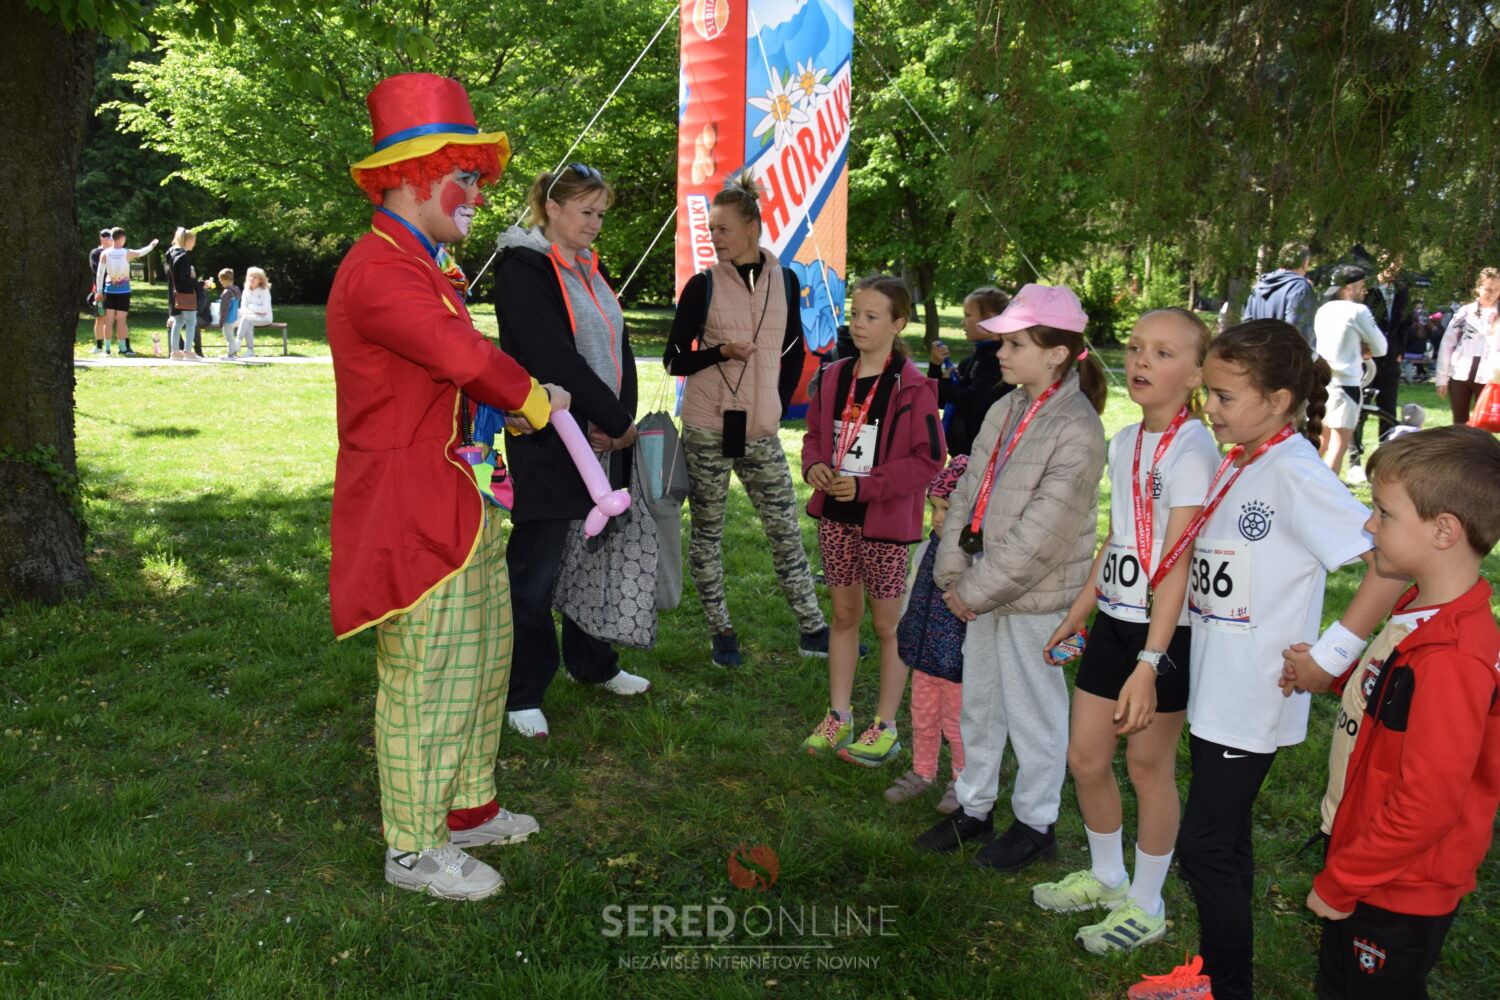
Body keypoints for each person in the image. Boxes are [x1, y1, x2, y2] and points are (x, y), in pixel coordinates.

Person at [327, 72, 568, 901]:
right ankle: (413, 849)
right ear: (412, 177)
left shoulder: (422, 265)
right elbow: (459, 355)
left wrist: (506, 411)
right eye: (463, 176)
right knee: (429, 677)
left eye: (477, 175)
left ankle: (466, 809)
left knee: (482, 659)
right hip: (409, 507)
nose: (479, 194)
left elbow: (454, 379)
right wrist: (534, 399)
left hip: (460, 497)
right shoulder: (379, 270)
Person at [1130, 320, 1407, 1000]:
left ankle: (1225, 988)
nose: (1210, 407)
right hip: (1219, 685)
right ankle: (1223, 979)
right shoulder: (1242, 458)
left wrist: (1332, 654)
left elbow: (1389, 565)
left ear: (1279, 400)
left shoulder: (1295, 471)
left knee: (1205, 848)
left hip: (1255, 692)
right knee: (1225, 843)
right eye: (1209, 393)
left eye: (1225, 396)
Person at [1029, 308, 1219, 955]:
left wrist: (1149, 661)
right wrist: (1079, 610)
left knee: (1146, 766)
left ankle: (1148, 902)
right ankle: (1109, 877)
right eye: (1136, 347)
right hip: (1115, 619)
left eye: (1163, 353)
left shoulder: (1194, 448)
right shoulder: (1125, 439)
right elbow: (1121, 537)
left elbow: (1177, 561)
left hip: (1165, 635)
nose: (1141, 360)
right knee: (1085, 758)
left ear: (1195, 374)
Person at [1298, 426, 1500, 1000]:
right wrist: (1342, 677)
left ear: (1444, 531)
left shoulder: (1453, 657)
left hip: (1396, 886)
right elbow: (1397, 703)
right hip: (1370, 860)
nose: (1369, 525)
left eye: (1383, 513)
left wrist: (1342, 881)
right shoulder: (1421, 611)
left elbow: (1428, 803)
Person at [913, 283, 1108, 876]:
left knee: (1033, 712)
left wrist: (970, 591)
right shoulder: (1006, 407)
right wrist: (953, 570)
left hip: (1032, 599)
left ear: (1056, 354)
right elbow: (967, 491)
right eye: (1003, 341)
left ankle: (1036, 824)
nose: (1000, 351)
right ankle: (974, 806)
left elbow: (1043, 533)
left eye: (1016, 343)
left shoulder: (1077, 427)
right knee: (980, 704)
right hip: (980, 588)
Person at [490, 165, 652, 739]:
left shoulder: (586, 265)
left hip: (602, 437)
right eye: (586, 211)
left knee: (594, 560)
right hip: (550, 438)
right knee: (534, 571)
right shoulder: (523, 268)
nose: (596, 223)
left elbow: (618, 343)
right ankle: (522, 690)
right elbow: (552, 357)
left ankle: (593, 663)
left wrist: (621, 420)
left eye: (601, 213)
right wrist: (612, 418)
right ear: (551, 208)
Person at [663, 173, 829, 668]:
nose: (714, 237)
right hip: (707, 428)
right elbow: (673, 359)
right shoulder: (703, 285)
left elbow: (795, 349)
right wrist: (719, 353)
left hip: (761, 430)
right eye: (710, 229)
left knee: (785, 528)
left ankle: (813, 630)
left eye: (723, 229)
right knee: (708, 534)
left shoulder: (787, 280)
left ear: (752, 228)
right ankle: (722, 633)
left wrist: (773, 402)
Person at [799, 274, 943, 766]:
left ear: (898, 324)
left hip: (884, 521)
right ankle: (838, 715)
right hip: (836, 516)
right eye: (854, 314)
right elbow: (814, 436)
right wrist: (814, 466)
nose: (858, 324)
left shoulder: (914, 387)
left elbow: (929, 460)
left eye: (871, 316)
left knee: (887, 626)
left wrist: (868, 486)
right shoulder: (834, 376)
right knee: (843, 616)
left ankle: (886, 725)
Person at [885, 456, 968, 809]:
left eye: (947, 509)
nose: (936, 516)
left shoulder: (976, 557)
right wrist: (904, 626)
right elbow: (911, 591)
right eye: (933, 506)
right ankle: (923, 771)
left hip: (958, 664)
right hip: (923, 653)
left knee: (957, 724)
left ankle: (962, 780)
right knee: (922, 715)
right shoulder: (924, 550)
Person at [1314, 265, 1387, 477]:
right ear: (1348, 287)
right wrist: (1363, 347)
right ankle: (1325, 491)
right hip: (1346, 384)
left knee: (1321, 442)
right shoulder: (1358, 311)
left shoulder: (1323, 310)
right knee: (1338, 444)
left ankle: (1303, 487)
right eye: (1362, 285)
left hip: (1321, 381)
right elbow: (1381, 347)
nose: (1365, 291)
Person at [927, 285, 1013, 456]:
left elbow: (971, 401)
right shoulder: (970, 362)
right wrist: (936, 365)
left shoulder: (998, 361)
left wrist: (947, 384)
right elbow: (938, 400)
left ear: (989, 320)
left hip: (983, 457)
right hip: (960, 455)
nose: (962, 322)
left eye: (967, 315)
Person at [1350, 257, 1414, 467]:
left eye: (1396, 264)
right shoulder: (1367, 290)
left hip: (1390, 358)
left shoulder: (1402, 291)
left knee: (1388, 409)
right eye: (1388, 262)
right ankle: (1355, 460)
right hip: (1366, 359)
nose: (1392, 268)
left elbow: (1405, 323)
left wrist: (1400, 350)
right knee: (1360, 411)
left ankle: (1384, 459)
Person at [1435, 267, 1498, 425]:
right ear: (1478, 288)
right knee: (1459, 423)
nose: (1492, 294)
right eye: (1488, 289)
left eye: (1497, 289)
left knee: (1483, 424)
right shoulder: (1464, 312)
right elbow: (1447, 344)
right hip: (1460, 374)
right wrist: (1441, 379)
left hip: (1489, 377)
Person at [95, 227, 158, 357]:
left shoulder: (105, 253)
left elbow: (100, 273)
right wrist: (151, 245)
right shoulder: (127, 253)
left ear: (112, 238)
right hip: (123, 290)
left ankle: (107, 349)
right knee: (121, 320)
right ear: (122, 238)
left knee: (109, 320)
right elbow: (141, 252)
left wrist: (99, 291)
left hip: (109, 290)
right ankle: (123, 348)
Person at [1242, 240, 1316, 344]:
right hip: (1285, 352)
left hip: (1257, 350)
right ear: (1305, 262)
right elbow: (1297, 331)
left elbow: (1247, 325)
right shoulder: (1300, 287)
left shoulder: (1259, 285)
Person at [164, 228, 201, 360]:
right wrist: (199, 283)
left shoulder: (170, 253)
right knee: (191, 321)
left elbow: (170, 275)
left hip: (174, 293)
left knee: (178, 321)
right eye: (193, 241)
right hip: (185, 293)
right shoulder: (184, 256)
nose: (194, 244)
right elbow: (184, 277)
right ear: (188, 240)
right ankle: (188, 351)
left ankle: (175, 351)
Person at [235, 267, 273, 358]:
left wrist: (251, 307)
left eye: (255, 277)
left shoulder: (264, 290)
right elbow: (243, 308)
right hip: (250, 317)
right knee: (247, 321)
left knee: (246, 319)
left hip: (265, 318)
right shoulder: (246, 290)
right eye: (250, 276)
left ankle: (238, 342)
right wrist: (255, 311)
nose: (251, 279)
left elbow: (265, 309)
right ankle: (250, 350)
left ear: (260, 280)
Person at [87, 228, 111, 353]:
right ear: (103, 239)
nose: (112, 240)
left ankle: (109, 346)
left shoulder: (114, 252)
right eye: (109, 238)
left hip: (113, 288)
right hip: (100, 289)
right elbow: (96, 269)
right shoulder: (96, 253)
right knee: (100, 317)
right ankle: (98, 345)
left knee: (111, 318)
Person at [217, 268, 242, 358]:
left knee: (228, 336)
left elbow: (224, 309)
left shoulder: (226, 292)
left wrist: (221, 321)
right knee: (231, 335)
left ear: (226, 280)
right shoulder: (236, 290)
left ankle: (231, 354)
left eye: (221, 280)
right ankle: (233, 352)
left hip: (227, 318)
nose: (220, 282)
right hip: (233, 317)